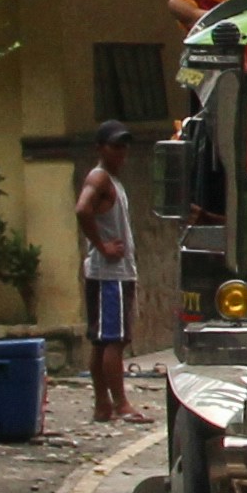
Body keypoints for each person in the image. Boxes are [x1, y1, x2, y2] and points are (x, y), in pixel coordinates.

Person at [73, 122, 141, 422]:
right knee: (114, 340)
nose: (121, 153)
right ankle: (120, 403)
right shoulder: (99, 178)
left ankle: (103, 404)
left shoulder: (112, 181)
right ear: (101, 148)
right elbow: (82, 209)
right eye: (115, 147)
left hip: (114, 273)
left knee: (103, 341)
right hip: (109, 274)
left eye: (124, 147)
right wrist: (102, 246)